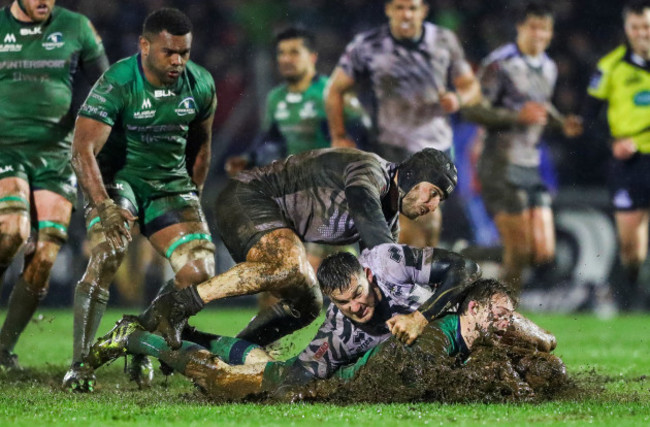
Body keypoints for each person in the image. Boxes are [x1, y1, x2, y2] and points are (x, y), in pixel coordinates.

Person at [140, 147, 458, 350]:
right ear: (413, 176)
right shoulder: (371, 172)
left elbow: (380, 280)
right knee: (288, 263)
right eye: (432, 193)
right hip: (248, 197)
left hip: (270, 219)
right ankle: (181, 304)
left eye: (439, 201)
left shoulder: (388, 218)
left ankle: (235, 351)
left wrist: (418, 320)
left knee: (308, 304)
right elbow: (379, 241)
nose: (432, 206)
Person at [88, 260, 523, 400]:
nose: (356, 306)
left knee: (260, 362)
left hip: (369, 355)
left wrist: (422, 315)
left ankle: (190, 334)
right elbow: (300, 382)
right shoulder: (338, 333)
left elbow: (466, 270)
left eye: (358, 294)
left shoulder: (399, 278)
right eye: (343, 303)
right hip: (317, 375)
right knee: (234, 380)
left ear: (369, 277)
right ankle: (135, 337)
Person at [62, 8, 217, 391]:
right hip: (117, 182)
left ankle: (138, 337)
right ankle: (81, 365)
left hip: (168, 185)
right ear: (144, 46)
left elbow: (201, 149)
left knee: (199, 273)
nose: (178, 60)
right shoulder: (118, 81)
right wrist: (102, 206)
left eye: (184, 52)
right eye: (169, 52)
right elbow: (82, 150)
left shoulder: (201, 84)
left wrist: (191, 200)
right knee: (108, 253)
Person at [0, 0, 108, 370]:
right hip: (5, 146)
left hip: (56, 153)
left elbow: (103, 85)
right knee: (12, 230)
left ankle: (2, 349)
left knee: (45, 254)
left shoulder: (77, 26)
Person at [325, 0, 481, 248]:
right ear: (388, 10)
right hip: (391, 146)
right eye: (399, 8)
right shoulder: (368, 45)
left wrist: (458, 98)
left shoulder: (443, 40)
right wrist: (338, 135)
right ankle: (396, 277)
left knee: (429, 226)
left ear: (423, 11)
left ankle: (414, 278)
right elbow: (334, 90)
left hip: (436, 149)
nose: (406, 14)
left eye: (412, 8)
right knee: (407, 222)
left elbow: (470, 86)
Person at [224, 26, 365, 281]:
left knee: (306, 268)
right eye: (281, 53)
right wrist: (249, 158)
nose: (285, 59)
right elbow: (271, 139)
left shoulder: (330, 93)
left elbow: (360, 131)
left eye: (293, 52)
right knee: (303, 266)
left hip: (331, 190)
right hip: (294, 193)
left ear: (312, 57)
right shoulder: (276, 98)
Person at [462, 2, 583, 292]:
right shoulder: (500, 64)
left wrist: (561, 122)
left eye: (544, 29)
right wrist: (516, 117)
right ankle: (504, 321)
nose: (538, 34)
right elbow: (472, 109)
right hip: (499, 164)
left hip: (530, 165)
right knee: (517, 252)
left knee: (542, 253)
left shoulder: (549, 67)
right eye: (533, 27)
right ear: (520, 28)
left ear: (551, 33)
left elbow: (541, 107)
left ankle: (465, 255)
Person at [584, 0, 650, 310]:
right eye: (636, 27)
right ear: (627, 29)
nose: (642, 33)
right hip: (629, 164)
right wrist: (612, 144)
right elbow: (589, 120)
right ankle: (634, 291)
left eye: (647, 26)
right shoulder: (609, 67)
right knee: (631, 246)